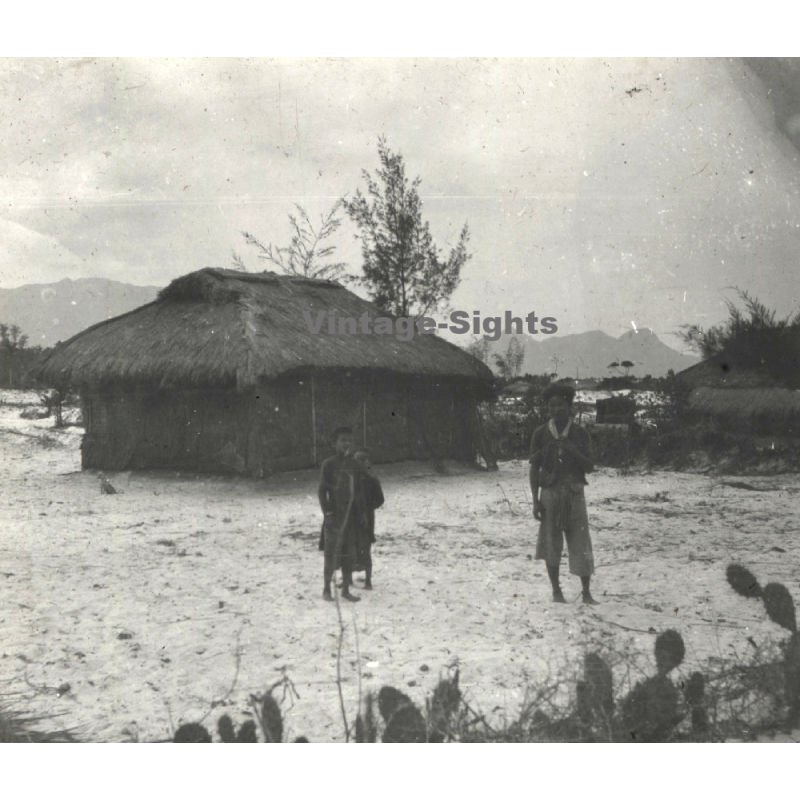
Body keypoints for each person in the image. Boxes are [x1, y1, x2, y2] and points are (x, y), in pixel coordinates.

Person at [529, 383, 598, 605]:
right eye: (552, 405)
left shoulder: (579, 433)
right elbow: (534, 468)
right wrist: (535, 501)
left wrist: (572, 450)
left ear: (570, 407)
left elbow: (589, 466)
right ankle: (556, 591)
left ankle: (586, 593)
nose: (556, 409)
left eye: (561, 405)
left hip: (574, 494)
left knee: (580, 543)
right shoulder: (540, 433)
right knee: (551, 544)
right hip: (549, 494)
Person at [318, 426, 366, 603]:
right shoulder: (329, 464)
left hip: (351, 517)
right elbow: (322, 491)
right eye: (342, 440)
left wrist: (362, 513)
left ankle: (345, 589)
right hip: (335, 517)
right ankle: (326, 590)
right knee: (331, 554)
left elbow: (358, 491)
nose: (346, 444)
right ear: (334, 443)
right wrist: (328, 513)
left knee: (349, 555)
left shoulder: (355, 465)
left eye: (350, 440)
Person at [353, 449, 384, 590]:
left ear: (366, 462)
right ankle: (348, 579)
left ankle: (368, 581)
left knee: (365, 548)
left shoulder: (371, 479)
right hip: (353, 516)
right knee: (350, 547)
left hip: (367, 517)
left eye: (360, 461)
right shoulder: (352, 478)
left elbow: (380, 500)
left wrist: (367, 508)